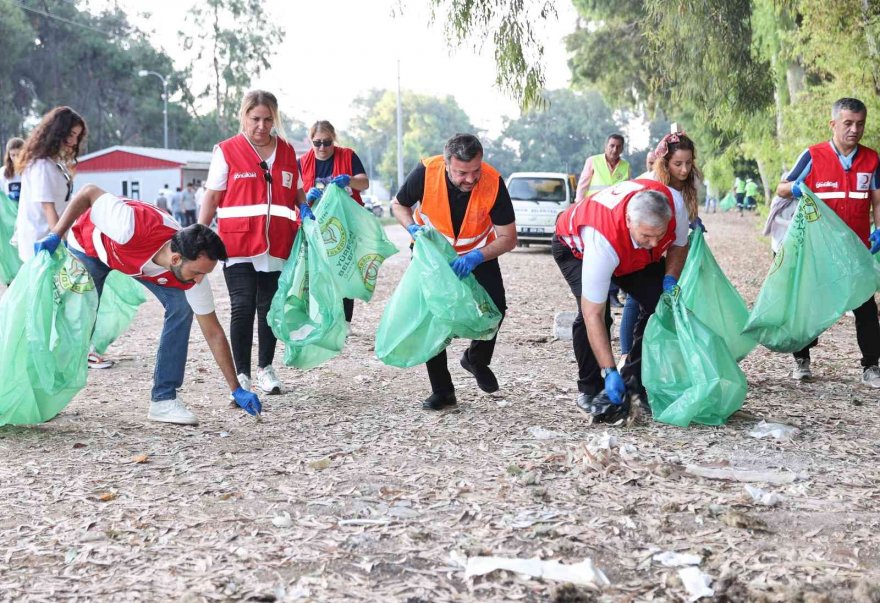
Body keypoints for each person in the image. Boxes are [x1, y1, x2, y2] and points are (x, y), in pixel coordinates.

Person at [32, 184, 262, 425]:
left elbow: (213, 333)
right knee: (77, 326)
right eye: (196, 273)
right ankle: (46, 395)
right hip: (90, 247)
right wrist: (56, 234)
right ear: (176, 258)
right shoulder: (128, 226)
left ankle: (163, 399)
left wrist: (235, 388)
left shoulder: (192, 273)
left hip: (134, 260)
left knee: (182, 306)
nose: (199, 280)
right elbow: (88, 192)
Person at [391, 133, 517, 410]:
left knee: (496, 307)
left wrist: (476, 257)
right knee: (433, 317)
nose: (471, 179)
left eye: (475, 171)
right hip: (433, 255)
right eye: (462, 173)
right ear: (447, 164)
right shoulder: (426, 171)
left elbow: (508, 237)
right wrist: (411, 227)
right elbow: (399, 204)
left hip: (477, 255)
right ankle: (443, 391)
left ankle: (476, 359)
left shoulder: (493, 181)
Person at [553, 177, 690, 421]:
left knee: (659, 303)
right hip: (576, 249)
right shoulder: (602, 242)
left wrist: (670, 277)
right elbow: (591, 313)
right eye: (647, 235)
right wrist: (609, 370)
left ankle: (634, 380)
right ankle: (590, 388)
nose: (655, 243)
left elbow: (679, 245)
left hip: (630, 253)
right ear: (629, 221)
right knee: (597, 317)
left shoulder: (675, 205)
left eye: (659, 235)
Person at [199, 90, 307, 396]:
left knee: (269, 308)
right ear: (244, 117)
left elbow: (298, 192)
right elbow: (213, 195)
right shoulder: (227, 150)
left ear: (275, 119)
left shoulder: (286, 151)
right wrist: (198, 232)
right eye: (255, 118)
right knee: (242, 307)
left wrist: (307, 208)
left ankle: (265, 369)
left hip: (276, 245)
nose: (261, 125)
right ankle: (242, 374)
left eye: (268, 119)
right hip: (238, 244)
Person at [776, 97, 880, 387]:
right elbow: (781, 188)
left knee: (866, 307)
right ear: (833, 124)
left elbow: (877, 200)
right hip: (817, 247)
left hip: (856, 247)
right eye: (848, 123)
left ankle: (871, 366)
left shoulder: (872, 160)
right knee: (808, 303)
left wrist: (879, 229)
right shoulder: (813, 155)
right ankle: (801, 359)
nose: (854, 129)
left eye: (860, 124)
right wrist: (796, 187)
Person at [618, 132, 703, 368]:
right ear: (665, 163)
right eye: (678, 164)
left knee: (655, 299)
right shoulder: (652, 183)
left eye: (688, 163)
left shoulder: (687, 183)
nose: (684, 170)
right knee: (635, 299)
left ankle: (647, 356)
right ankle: (626, 355)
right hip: (640, 245)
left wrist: (692, 220)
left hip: (664, 244)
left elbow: (679, 236)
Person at [297, 120, 370, 332]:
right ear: (311, 141)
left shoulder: (348, 155)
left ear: (334, 139)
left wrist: (349, 180)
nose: (322, 148)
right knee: (318, 272)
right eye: (317, 143)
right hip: (316, 226)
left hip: (346, 224)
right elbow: (295, 192)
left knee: (344, 270)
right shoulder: (302, 162)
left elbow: (364, 182)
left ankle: (345, 322)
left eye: (327, 142)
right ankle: (320, 317)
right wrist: (306, 199)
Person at [14, 107, 86, 264]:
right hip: (43, 240)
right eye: (72, 134)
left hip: (54, 235)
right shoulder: (41, 166)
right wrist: (61, 241)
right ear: (59, 132)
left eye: (77, 136)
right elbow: (48, 208)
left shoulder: (55, 163)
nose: (74, 141)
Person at [575, 134, 631, 308]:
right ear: (606, 145)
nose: (614, 150)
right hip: (595, 214)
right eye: (612, 146)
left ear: (622, 148)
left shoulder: (625, 166)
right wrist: (578, 208)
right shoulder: (593, 161)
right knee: (598, 253)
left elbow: (628, 190)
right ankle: (600, 294)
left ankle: (613, 293)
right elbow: (582, 185)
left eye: (618, 147)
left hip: (615, 216)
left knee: (614, 253)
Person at [0, 138, 25, 203]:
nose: (16, 158)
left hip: (27, 210)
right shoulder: (3, 172)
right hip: (10, 211)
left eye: (18, 154)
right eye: (13, 155)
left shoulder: (31, 170)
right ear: (9, 155)